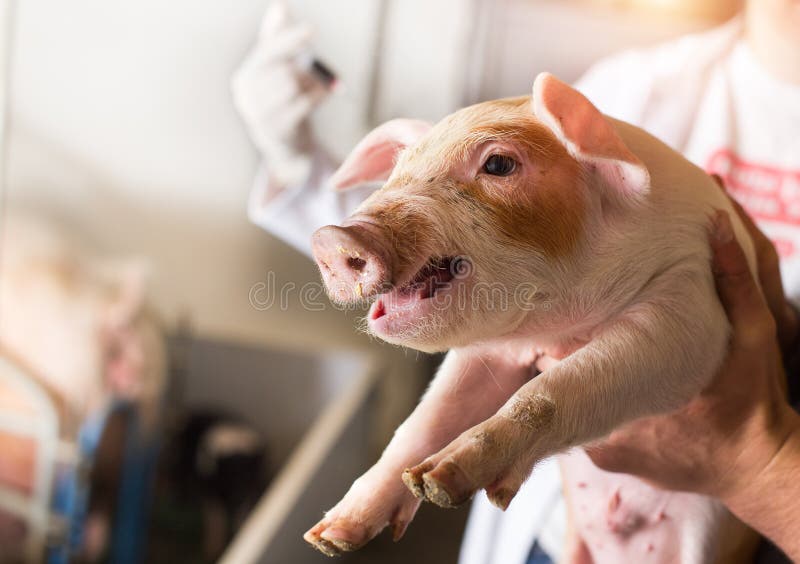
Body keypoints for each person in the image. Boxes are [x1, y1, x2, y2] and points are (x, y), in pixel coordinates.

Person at [231, 1, 800, 561]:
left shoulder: (600, 122)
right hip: (555, 525)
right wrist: (297, 166)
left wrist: (757, 467)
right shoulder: (635, 85)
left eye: (499, 163)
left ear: (617, 173)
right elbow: (470, 256)